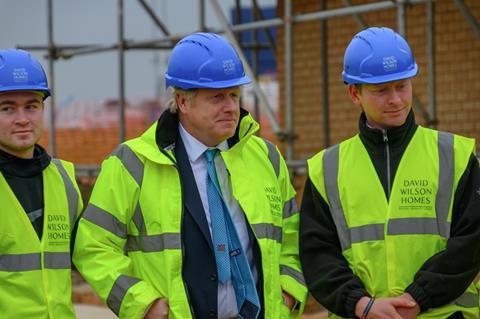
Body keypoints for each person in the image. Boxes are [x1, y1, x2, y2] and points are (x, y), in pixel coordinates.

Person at [73, 32, 307, 319]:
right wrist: (143, 304)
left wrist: (289, 291)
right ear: (183, 102)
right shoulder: (132, 163)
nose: (231, 107)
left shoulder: (267, 157)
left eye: (234, 95)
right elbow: (93, 245)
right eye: (217, 97)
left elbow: (294, 235)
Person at [299, 26, 480, 319]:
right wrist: (362, 305)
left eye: (402, 86)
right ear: (354, 93)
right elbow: (317, 254)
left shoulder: (455, 155)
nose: (396, 99)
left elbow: (470, 243)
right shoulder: (327, 168)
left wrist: (417, 299)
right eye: (381, 90)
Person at [0, 48, 83, 318]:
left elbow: (92, 255)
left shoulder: (65, 180)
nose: (22, 119)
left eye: (31, 106)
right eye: (8, 108)